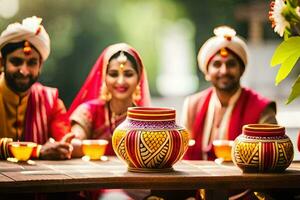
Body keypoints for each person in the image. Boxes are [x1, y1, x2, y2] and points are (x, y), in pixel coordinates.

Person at [67, 43, 151, 200]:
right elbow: (73, 143)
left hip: (134, 187)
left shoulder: (145, 118)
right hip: (94, 185)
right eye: (113, 74)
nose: (120, 81)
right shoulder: (88, 111)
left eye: (128, 74)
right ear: (103, 77)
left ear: (139, 78)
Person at [182, 25, 277, 161]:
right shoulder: (192, 105)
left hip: (245, 182)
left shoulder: (262, 109)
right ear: (207, 73)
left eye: (231, 64)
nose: (224, 71)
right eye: (216, 64)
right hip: (199, 181)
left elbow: (270, 156)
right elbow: (182, 154)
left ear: (242, 70)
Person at [0, 16, 73, 160]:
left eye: (32, 63)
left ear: (40, 65)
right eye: (16, 62)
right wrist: (37, 151)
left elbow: (64, 140)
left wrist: (64, 147)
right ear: (2, 62)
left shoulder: (50, 101)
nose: (24, 71)